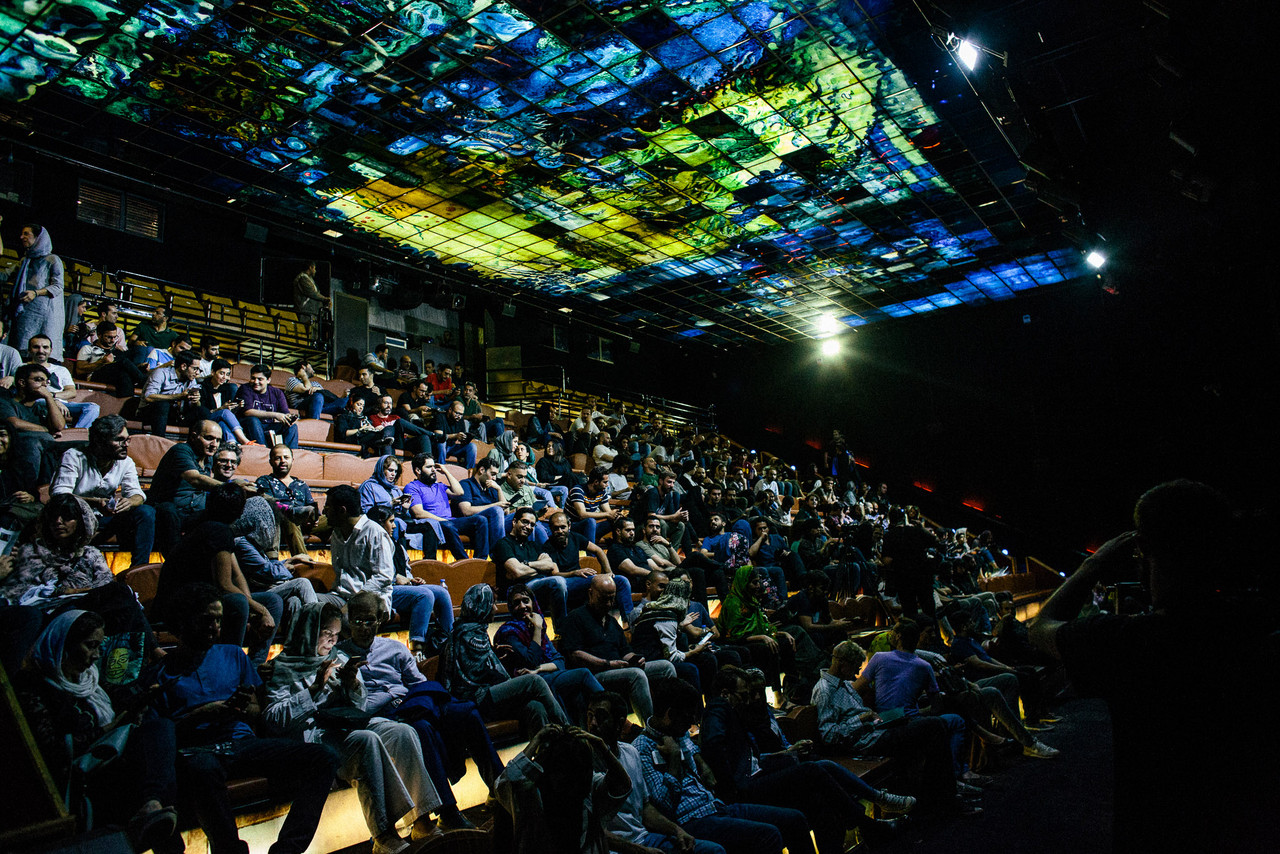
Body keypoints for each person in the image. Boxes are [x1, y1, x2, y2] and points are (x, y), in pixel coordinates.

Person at [1029, 480, 1276, 851]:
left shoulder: (1131, 640)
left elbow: (1040, 630)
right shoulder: (1259, 625)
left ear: (1142, 548)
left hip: (1157, 831)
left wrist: (1092, 565)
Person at [151, 583, 341, 854]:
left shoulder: (232, 654)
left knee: (325, 757)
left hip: (242, 742)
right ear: (182, 623)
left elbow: (256, 710)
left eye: (218, 620)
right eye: (207, 619)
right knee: (201, 769)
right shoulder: (162, 672)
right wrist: (200, 715)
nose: (214, 627)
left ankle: (287, 850)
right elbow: (161, 735)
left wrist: (240, 707)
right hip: (198, 749)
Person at [262, 601, 441, 854]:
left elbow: (361, 703)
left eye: (336, 635)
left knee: (402, 732)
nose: (332, 642)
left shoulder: (339, 657)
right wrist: (313, 691)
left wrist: (352, 685)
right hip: (315, 734)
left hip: (346, 722)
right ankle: (383, 833)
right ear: (309, 630)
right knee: (366, 741)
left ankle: (421, 819)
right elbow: (273, 719)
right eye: (326, 634)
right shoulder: (283, 666)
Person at [15, 611, 182, 854]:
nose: (96, 655)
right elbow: (51, 748)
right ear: (65, 643)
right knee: (158, 761)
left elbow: (117, 711)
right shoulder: (34, 685)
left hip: (111, 758)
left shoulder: (91, 678)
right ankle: (155, 814)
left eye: (99, 646)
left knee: (160, 734)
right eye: (90, 646)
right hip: (80, 772)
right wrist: (109, 729)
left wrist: (134, 711)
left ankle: (152, 807)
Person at [338, 591, 505, 830]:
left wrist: (416, 697)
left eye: (370, 621)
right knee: (422, 728)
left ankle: (500, 785)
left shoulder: (394, 648)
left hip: (410, 705)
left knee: (467, 711)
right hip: (380, 717)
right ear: (349, 622)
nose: (365, 628)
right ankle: (448, 811)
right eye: (358, 621)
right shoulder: (338, 655)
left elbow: (417, 683)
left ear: (379, 620)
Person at [699, 668, 902, 854]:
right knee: (812, 771)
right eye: (743, 695)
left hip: (756, 774)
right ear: (725, 693)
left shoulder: (735, 712)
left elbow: (747, 756)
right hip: (746, 786)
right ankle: (868, 822)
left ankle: (867, 825)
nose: (747, 700)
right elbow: (713, 743)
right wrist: (730, 784)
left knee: (820, 799)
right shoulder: (718, 707)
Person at [629, 679, 813, 854]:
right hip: (690, 820)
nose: (691, 723)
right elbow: (664, 807)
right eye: (688, 716)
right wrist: (675, 760)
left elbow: (694, 752)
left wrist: (702, 764)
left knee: (795, 819)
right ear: (670, 715)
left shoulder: (677, 732)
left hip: (716, 806)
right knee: (768, 835)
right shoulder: (641, 749)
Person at [812, 641, 968, 815]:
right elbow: (828, 735)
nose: (857, 673)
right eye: (855, 667)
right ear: (843, 663)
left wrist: (877, 718)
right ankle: (945, 798)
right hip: (864, 743)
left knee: (923, 726)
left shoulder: (845, 685)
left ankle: (936, 797)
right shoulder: (825, 691)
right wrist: (860, 719)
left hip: (876, 732)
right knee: (934, 725)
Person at [154, 483, 282, 665]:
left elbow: (237, 576)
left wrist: (254, 609)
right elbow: (224, 585)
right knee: (239, 602)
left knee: (272, 601)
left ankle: (255, 665)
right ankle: (231, 665)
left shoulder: (221, 529)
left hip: (203, 598)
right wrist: (258, 610)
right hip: (181, 605)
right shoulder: (215, 530)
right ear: (240, 511)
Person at [585, 691, 727, 854]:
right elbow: (591, 830)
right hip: (614, 848)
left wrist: (676, 830)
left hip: (644, 838)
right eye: (589, 716)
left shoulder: (630, 752)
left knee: (713, 851)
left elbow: (645, 808)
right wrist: (642, 851)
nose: (593, 723)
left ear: (619, 724)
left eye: (601, 717)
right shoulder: (583, 762)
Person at [443, 583, 571, 736]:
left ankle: (544, 755)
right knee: (534, 681)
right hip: (476, 699)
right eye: (492, 604)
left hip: (488, 695)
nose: (496, 609)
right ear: (481, 606)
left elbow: (481, 666)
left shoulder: (475, 630)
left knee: (536, 707)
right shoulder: (468, 634)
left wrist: (493, 654)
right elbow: (481, 677)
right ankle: (570, 733)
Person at [493, 723, 630, 854]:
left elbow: (622, 784)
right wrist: (537, 740)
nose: (571, 782)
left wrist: (601, 746)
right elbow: (509, 779)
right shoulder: (533, 797)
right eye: (563, 772)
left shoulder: (588, 791)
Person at [558, 574, 679, 721]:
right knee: (636, 675)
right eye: (604, 598)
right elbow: (575, 655)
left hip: (618, 668)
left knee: (666, 667)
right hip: (595, 674)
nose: (609, 604)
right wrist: (608, 664)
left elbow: (625, 651)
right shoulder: (575, 618)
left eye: (612, 598)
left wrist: (635, 659)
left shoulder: (612, 622)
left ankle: (668, 720)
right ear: (591, 593)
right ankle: (651, 727)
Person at [52, 414, 157, 568]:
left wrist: (129, 502)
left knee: (146, 511)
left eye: (127, 439)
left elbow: (138, 494)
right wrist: (95, 502)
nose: (126, 444)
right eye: (119, 440)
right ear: (100, 442)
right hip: (77, 518)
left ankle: (138, 570)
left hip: (105, 518)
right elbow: (59, 494)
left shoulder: (126, 462)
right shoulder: (74, 456)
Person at [494, 584, 604, 722]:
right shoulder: (509, 633)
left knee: (577, 695)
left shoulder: (537, 628)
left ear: (533, 602)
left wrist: (540, 668)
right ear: (510, 607)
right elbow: (531, 661)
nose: (523, 606)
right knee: (583, 674)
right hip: (530, 685)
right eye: (516, 603)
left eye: (526, 601)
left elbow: (560, 661)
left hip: (544, 676)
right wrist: (537, 630)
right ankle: (613, 713)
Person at [148, 420, 252, 553]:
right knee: (168, 510)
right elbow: (195, 479)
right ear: (193, 436)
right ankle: (175, 562)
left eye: (218, 440)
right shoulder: (181, 450)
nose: (214, 444)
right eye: (209, 438)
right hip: (169, 512)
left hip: (191, 514)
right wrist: (231, 488)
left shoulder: (208, 457)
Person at [230, 494, 323, 618]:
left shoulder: (251, 541)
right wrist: (288, 567)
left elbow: (266, 566)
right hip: (255, 592)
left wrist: (291, 559)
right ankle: (318, 624)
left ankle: (296, 636)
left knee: (294, 601)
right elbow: (266, 571)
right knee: (302, 583)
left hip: (265, 588)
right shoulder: (242, 543)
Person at [629, 575, 715, 695]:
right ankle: (696, 711)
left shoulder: (662, 612)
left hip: (659, 656)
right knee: (690, 669)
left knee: (707, 659)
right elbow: (672, 657)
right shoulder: (667, 617)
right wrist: (693, 652)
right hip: (651, 662)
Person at [404, 453, 490, 560]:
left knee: (481, 520)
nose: (433, 470)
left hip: (449, 521)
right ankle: (464, 562)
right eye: (429, 467)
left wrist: (446, 472)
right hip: (434, 523)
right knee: (448, 526)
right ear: (418, 470)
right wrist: (443, 520)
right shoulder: (412, 487)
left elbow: (459, 492)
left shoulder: (439, 485)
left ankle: (481, 560)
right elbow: (418, 513)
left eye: (434, 467)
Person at [5, 222, 65, 359]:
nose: (22, 237)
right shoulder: (25, 261)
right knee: (22, 350)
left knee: (40, 351)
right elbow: (6, 275)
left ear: (38, 238)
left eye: (26, 234)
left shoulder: (52, 259)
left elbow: (58, 286)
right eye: (22, 233)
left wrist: (36, 292)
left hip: (45, 313)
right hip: (25, 313)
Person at [0, 362, 66, 486]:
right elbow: (14, 423)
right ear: (22, 383)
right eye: (38, 380)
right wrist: (46, 430)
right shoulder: (6, 402)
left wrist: (49, 398)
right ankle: (28, 490)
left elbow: (58, 426)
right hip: (21, 447)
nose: (43, 385)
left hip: (48, 445)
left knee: (82, 445)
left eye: (46, 382)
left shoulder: (42, 407)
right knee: (33, 444)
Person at [255, 443, 319, 556]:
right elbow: (268, 505)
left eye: (286, 457)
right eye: (278, 458)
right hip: (281, 523)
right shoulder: (264, 481)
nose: (282, 461)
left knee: (336, 519)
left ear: (292, 460)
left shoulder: (301, 484)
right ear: (270, 461)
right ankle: (304, 564)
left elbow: (311, 505)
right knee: (290, 518)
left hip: (304, 522)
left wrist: (315, 518)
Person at [26, 333, 98, 427]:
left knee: (93, 407)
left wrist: (53, 396)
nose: (41, 351)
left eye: (45, 347)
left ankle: (77, 435)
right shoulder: (23, 367)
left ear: (51, 350)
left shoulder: (61, 369)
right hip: (39, 402)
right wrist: (53, 401)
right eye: (36, 347)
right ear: (29, 350)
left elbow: (72, 392)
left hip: (63, 403)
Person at [141, 350, 206, 437]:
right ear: (183, 366)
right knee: (163, 405)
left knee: (202, 411)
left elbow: (195, 406)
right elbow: (148, 397)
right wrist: (177, 396)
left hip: (174, 414)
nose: (197, 373)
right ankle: (159, 441)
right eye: (195, 369)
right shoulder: (161, 373)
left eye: (198, 369)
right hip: (151, 413)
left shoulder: (191, 379)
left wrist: (196, 400)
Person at [235, 364, 299, 449]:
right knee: (253, 420)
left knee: (292, 427)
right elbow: (248, 412)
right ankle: (263, 451)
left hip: (268, 425)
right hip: (248, 425)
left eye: (260, 379)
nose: (255, 382)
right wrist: (275, 415)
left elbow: (285, 413)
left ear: (268, 380)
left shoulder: (277, 392)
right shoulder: (245, 388)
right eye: (253, 378)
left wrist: (290, 418)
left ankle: (290, 454)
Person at [76, 321, 145, 398]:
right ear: (99, 335)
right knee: (123, 362)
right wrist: (101, 362)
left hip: (115, 376)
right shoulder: (88, 348)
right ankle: (144, 383)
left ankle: (127, 404)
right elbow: (79, 370)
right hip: (96, 375)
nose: (112, 340)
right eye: (109, 337)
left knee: (124, 374)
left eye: (115, 337)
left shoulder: (117, 351)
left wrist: (139, 367)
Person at [196, 358, 251, 445]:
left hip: (218, 422)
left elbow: (230, 414)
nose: (225, 377)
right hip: (204, 420)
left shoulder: (227, 389)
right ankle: (245, 441)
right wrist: (221, 409)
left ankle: (232, 444)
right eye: (222, 373)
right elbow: (202, 412)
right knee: (224, 412)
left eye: (227, 374)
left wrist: (237, 408)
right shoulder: (202, 388)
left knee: (222, 423)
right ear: (213, 372)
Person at [566, 466, 619, 543]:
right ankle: (591, 553)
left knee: (616, 521)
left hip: (589, 527)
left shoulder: (602, 492)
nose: (607, 485)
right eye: (605, 482)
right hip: (573, 527)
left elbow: (609, 513)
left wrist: (615, 515)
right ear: (596, 482)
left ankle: (617, 549)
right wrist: (608, 514)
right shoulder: (578, 490)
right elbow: (582, 515)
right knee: (590, 521)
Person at [432, 400, 478, 468]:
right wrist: (455, 436)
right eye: (457, 413)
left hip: (452, 446)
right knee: (442, 443)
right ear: (450, 410)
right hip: (438, 447)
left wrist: (465, 438)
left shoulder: (460, 419)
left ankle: (469, 472)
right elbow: (438, 436)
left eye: (461, 414)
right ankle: (441, 468)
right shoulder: (440, 417)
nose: (459, 416)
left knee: (472, 446)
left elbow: (462, 436)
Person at [292, 261, 329, 335]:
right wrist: (325, 298)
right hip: (305, 313)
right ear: (310, 267)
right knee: (305, 333)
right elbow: (311, 293)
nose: (315, 271)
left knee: (313, 335)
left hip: (313, 313)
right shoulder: (302, 278)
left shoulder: (310, 280)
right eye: (314, 268)